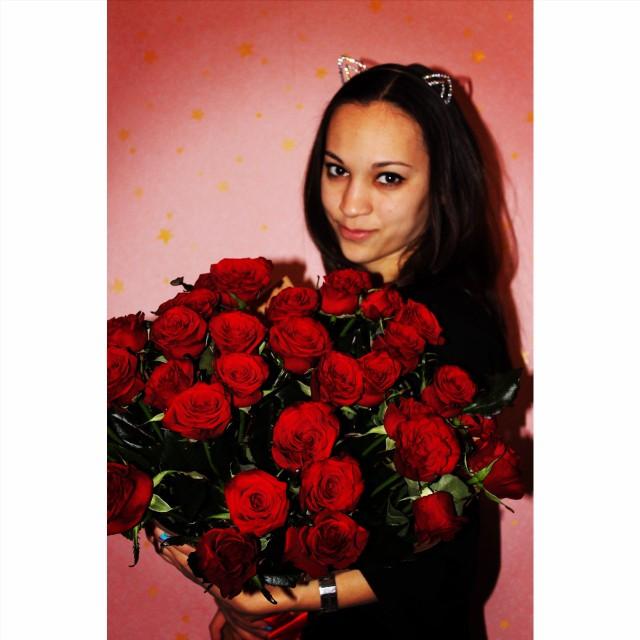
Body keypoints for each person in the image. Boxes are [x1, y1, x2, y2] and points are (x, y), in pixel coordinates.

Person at [149, 58, 515, 640]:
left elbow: (442, 561)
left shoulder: (451, 324)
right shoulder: (343, 316)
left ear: (442, 185)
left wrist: (268, 601)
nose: (350, 203)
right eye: (337, 169)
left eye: (388, 178)